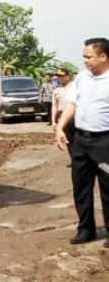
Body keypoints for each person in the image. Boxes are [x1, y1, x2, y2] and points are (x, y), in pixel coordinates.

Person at [55, 38, 109, 246]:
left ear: (103, 57)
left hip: (104, 141)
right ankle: (86, 230)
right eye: (84, 57)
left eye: (89, 57)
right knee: (81, 187)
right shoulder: (82, 78)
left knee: (108, 189)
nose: (85, 61)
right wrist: (60, 127)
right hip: (80, 141)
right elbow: (72, 104)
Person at [51, 67, 74, 157]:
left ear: (68, 76)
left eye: (62, 76)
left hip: (75, 117)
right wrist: (53, 121)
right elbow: (54, 106)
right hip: (62, 117)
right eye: (58, 76)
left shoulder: (74, 86)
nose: (60, 78)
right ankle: (73, 159)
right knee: (68, 140)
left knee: (78, 140)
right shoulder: (56, 90)